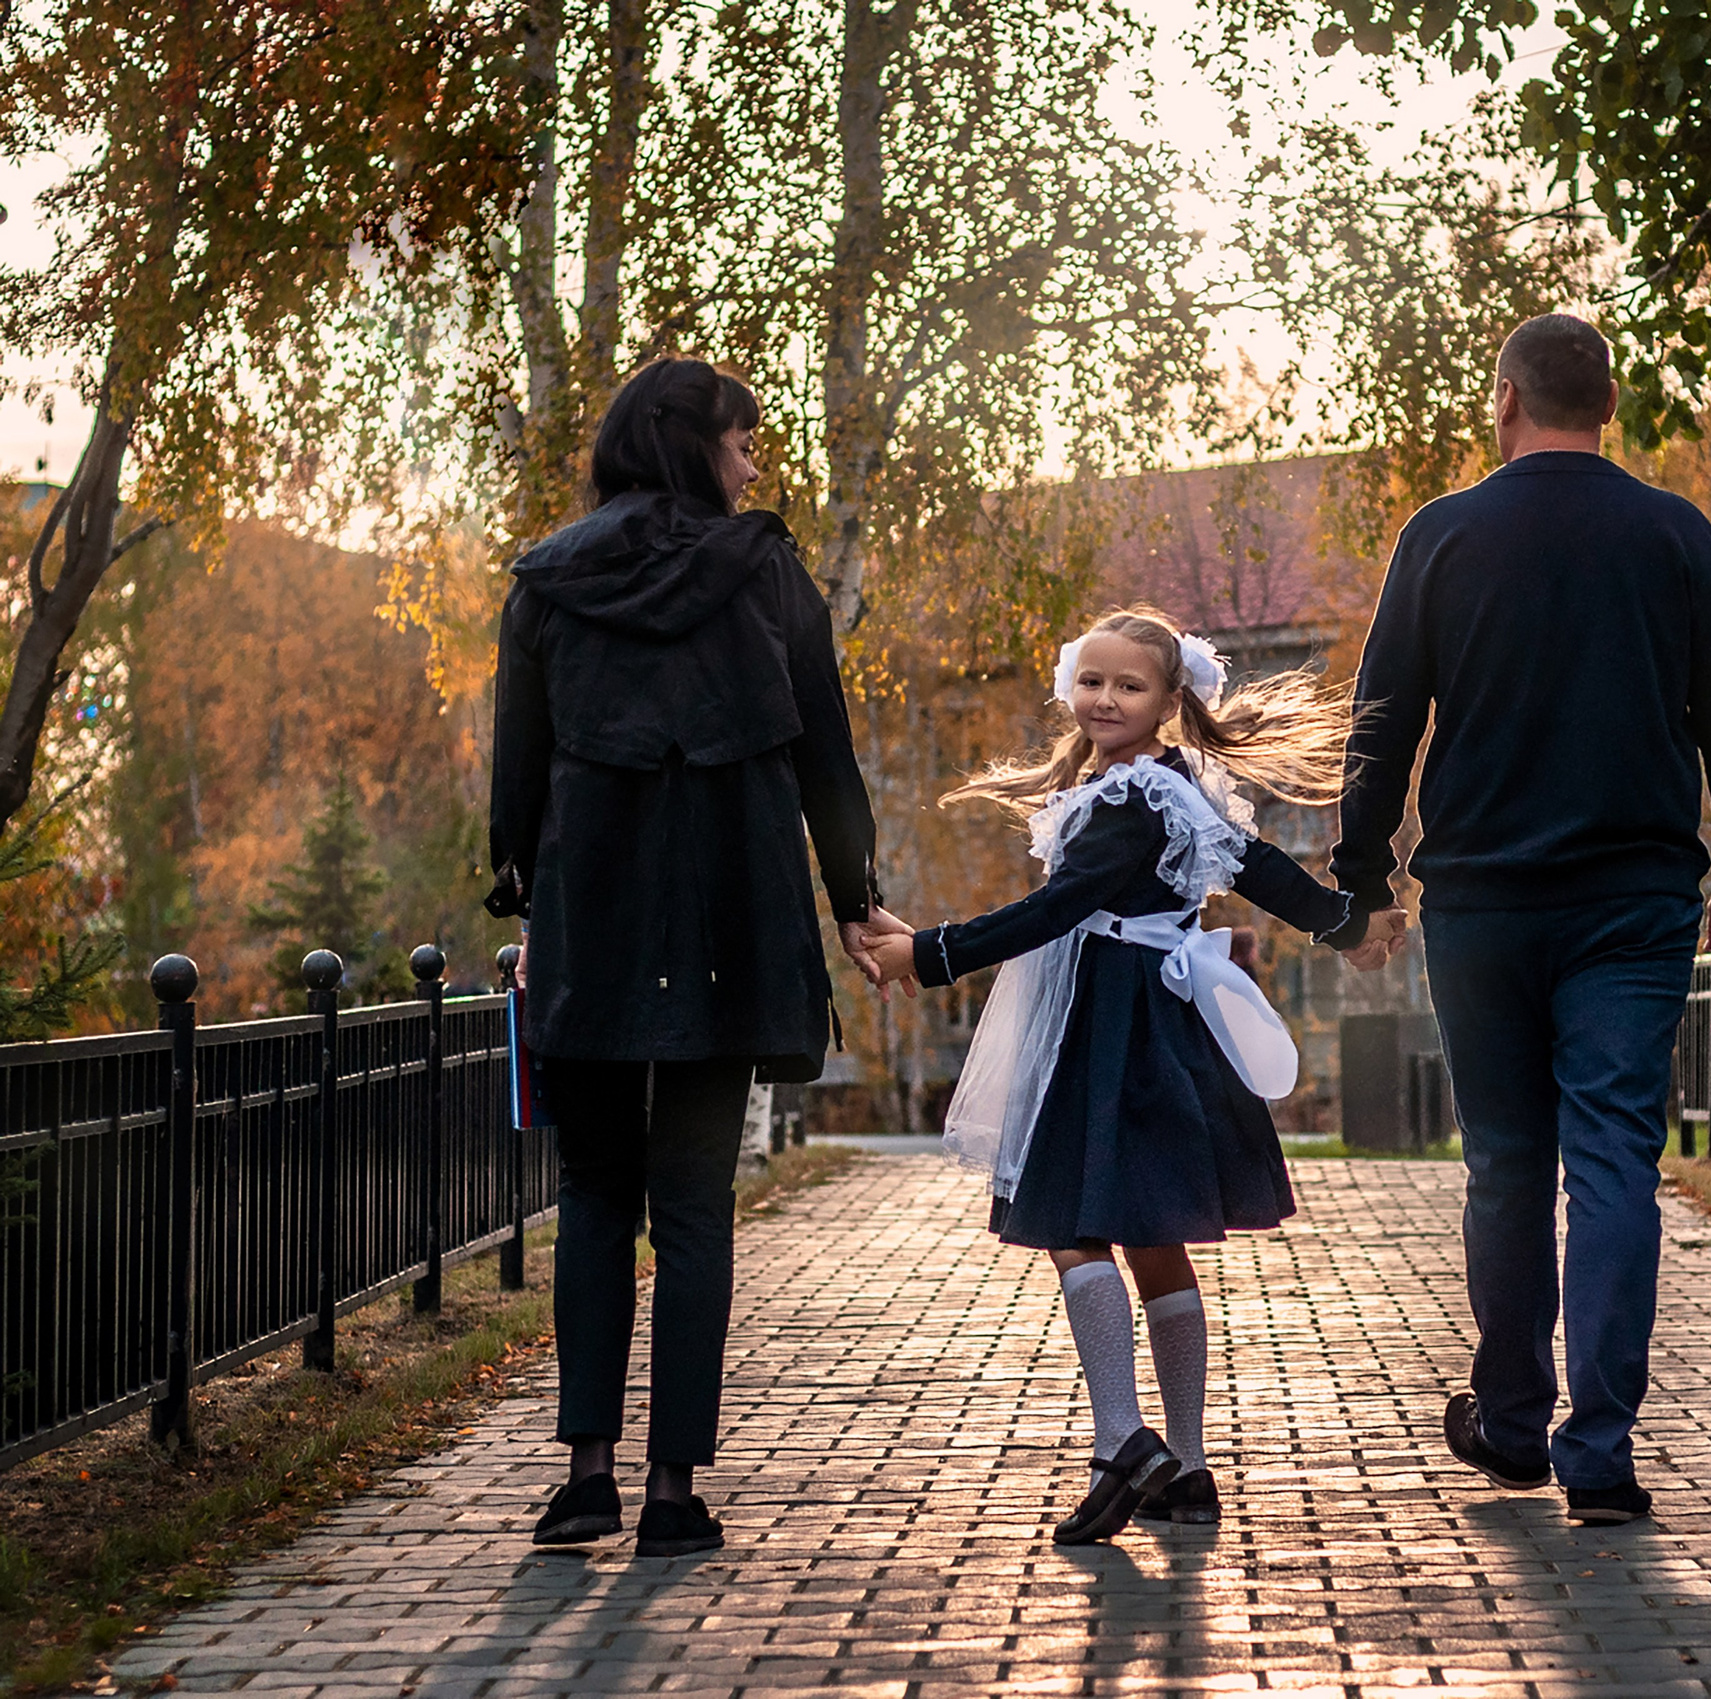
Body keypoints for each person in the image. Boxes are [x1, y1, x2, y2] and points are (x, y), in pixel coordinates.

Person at [1328, 313, 1711, 1527]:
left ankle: (1515, 1420)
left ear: (1503, 398)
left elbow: (1383, 721)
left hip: (1479, 901)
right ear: (1610, 405)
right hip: (1632, 905)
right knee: (1616, 1162)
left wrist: (1363, 875)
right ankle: (1601, 1450)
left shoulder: (1441, 534)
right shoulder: (1674, 534)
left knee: (1507, 1164)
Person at [855, 607, 1403, 1544]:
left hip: (1111, 1026)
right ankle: (1187, 1468)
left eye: (1130, 686)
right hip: (1158, 1024)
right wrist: (1346, 925)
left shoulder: (1131, 799)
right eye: (1092, 680)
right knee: (1152, 1240)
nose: (1106, 698)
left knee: (1071, 1224)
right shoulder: (1170, 784)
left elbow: (1059, 906)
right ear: (1071, 684)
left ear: (1168, 700)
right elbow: (1261, 865)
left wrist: (929, 952)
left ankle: (1123, 1442)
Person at [486, 357, 879, 1558]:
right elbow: (824, 750)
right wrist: (857, 900)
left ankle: (584, 1479)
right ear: (689, 442)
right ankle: (672, 1496)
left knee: (597, 1195)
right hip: (731, 917)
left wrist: (521, 903)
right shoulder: (764, 575)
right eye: (743, 437)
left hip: (593, 920)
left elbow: (518, 761)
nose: (756, 459)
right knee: (695, 1203)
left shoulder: (548, 580)